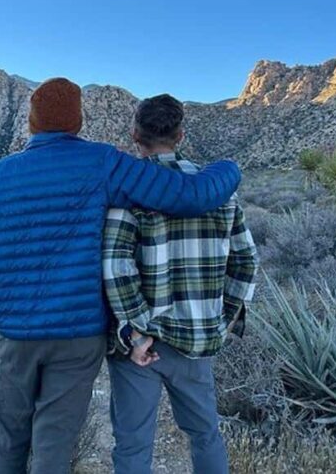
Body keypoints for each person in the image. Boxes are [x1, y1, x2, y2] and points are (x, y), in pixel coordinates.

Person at [0, 78, 242, 474]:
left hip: (14, 335)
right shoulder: (103, 164)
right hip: (77, 337)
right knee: (54, 447)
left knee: (7, 443)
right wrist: (230, 168)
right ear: (78, 123)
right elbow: (189, 196)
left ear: (31, 125)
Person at [102, 94, 259, 474]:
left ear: (135, 134)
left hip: (143, 346)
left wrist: (137, 330)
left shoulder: (129, 193)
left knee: (133, 443)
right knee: (205, 434)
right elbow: (246, 259)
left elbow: (115, 266)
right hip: (197, 340)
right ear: (181, 135)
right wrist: (223, 318)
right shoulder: (221, 193)